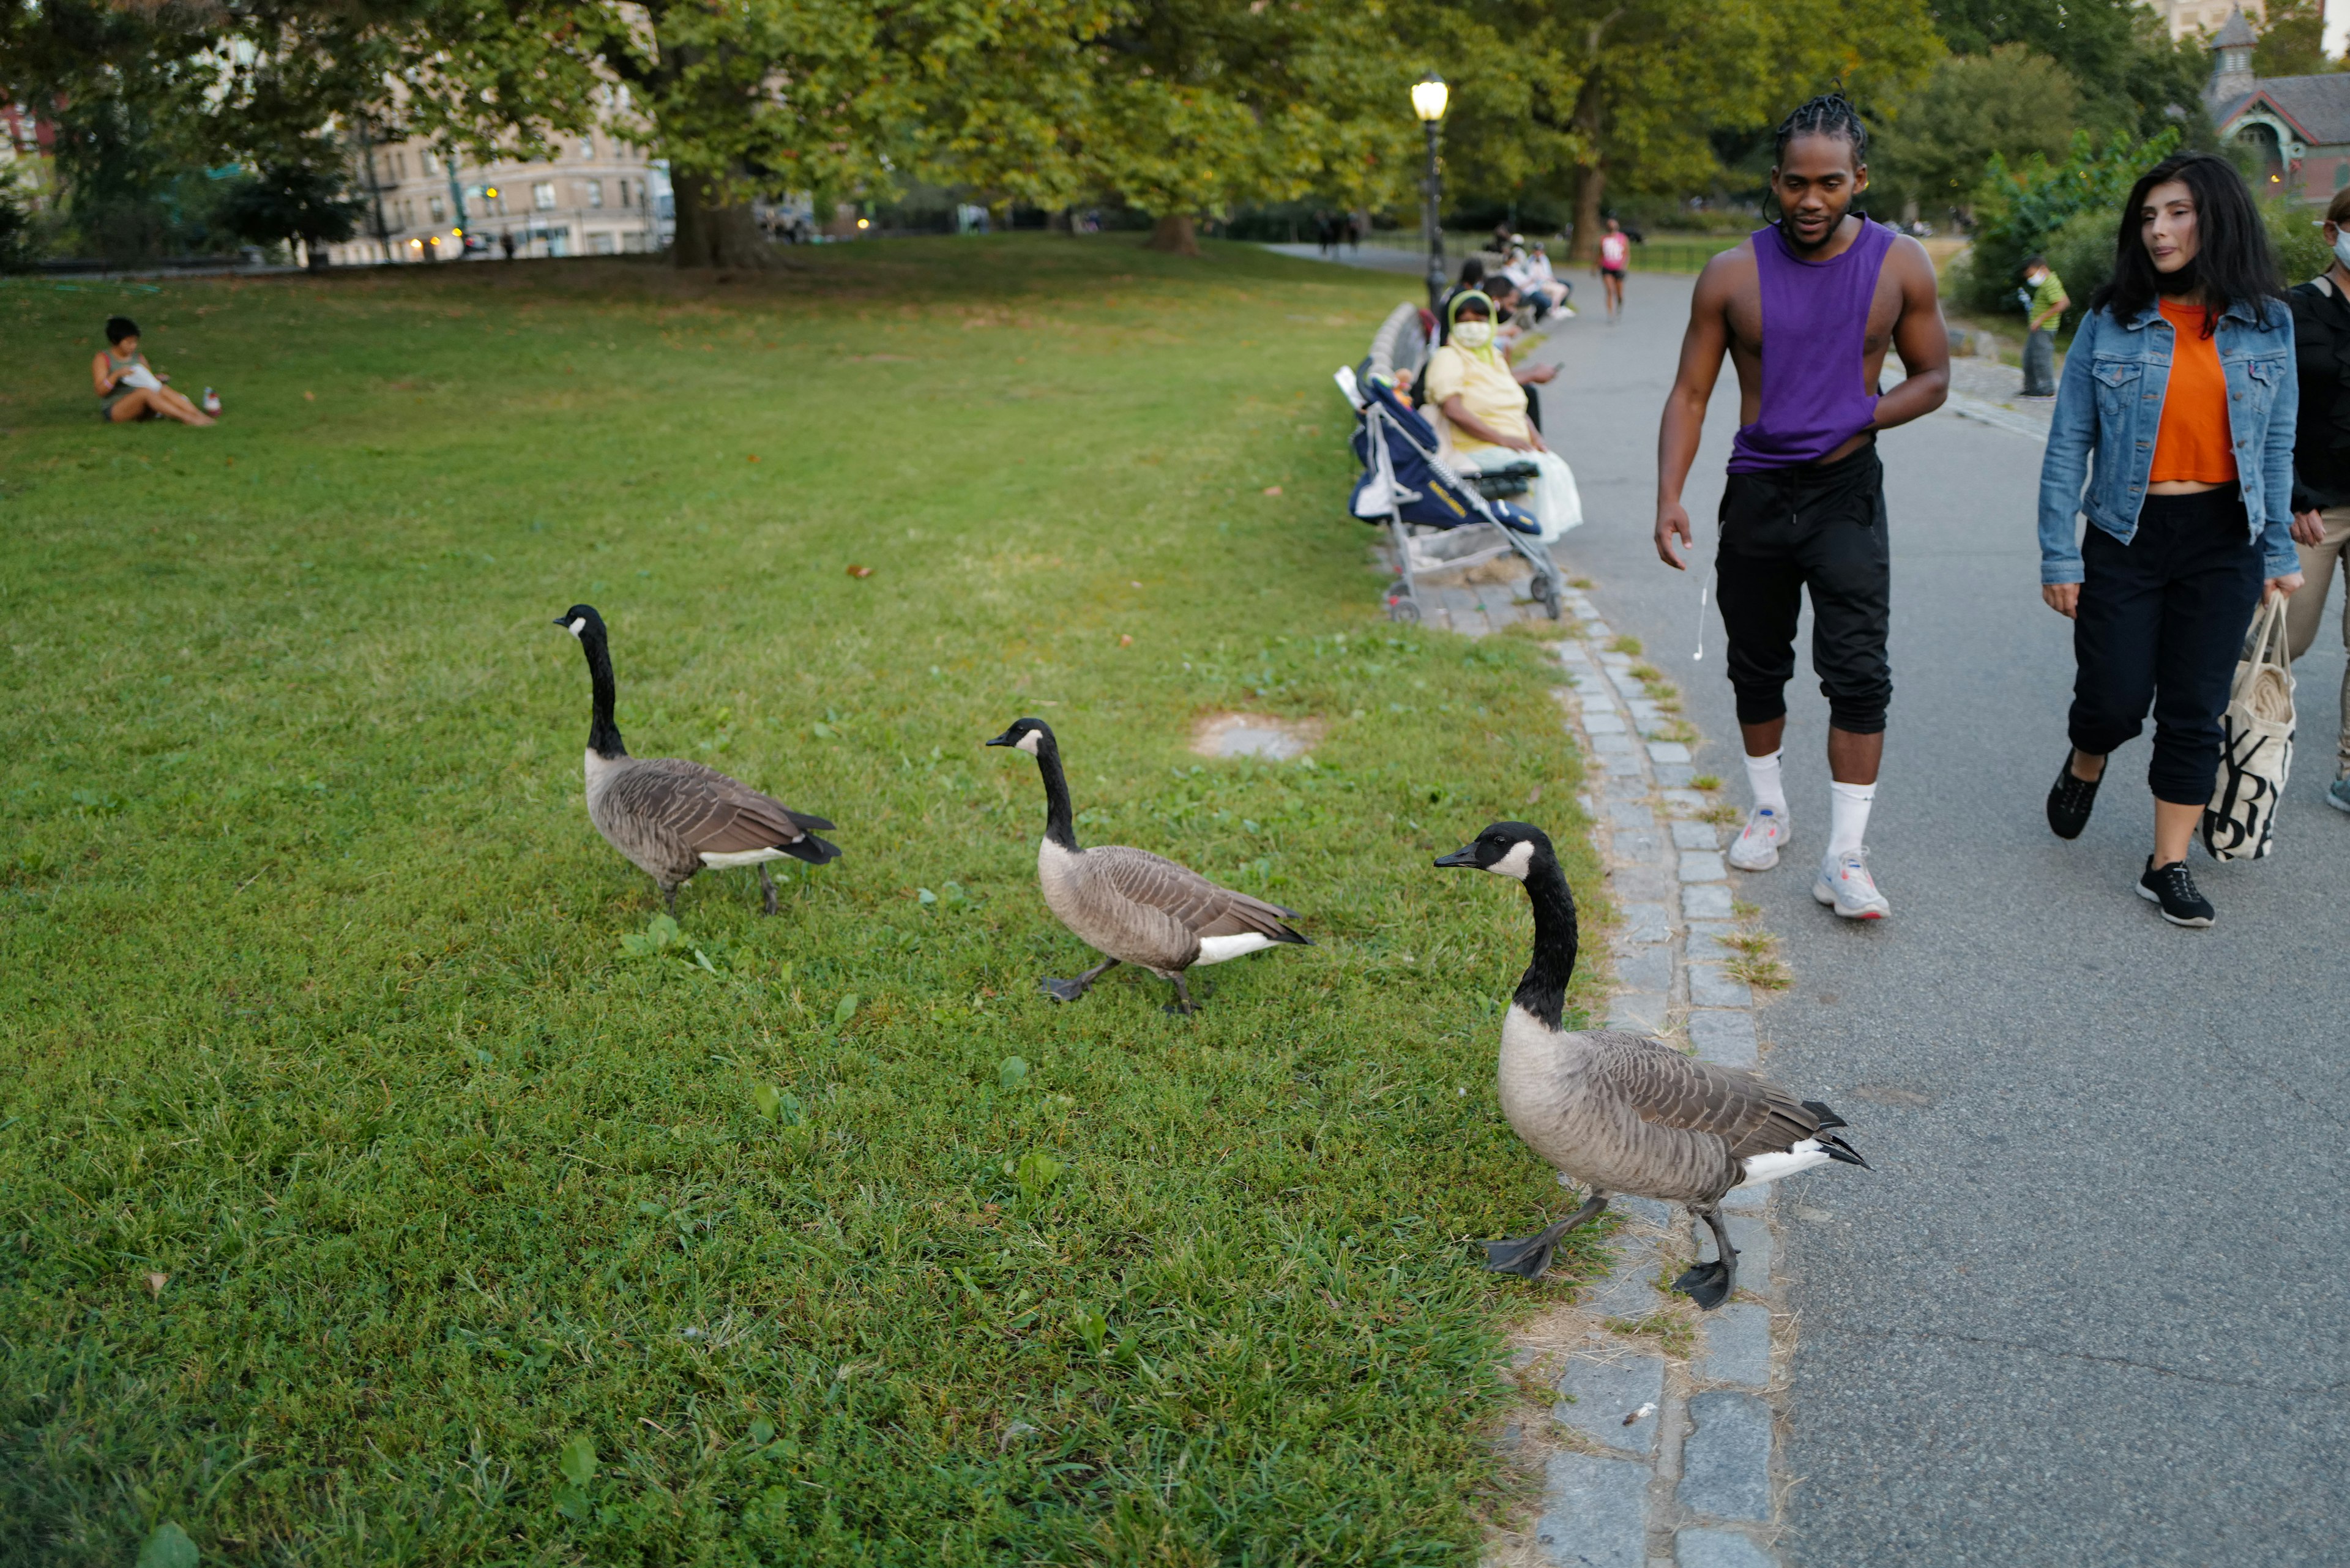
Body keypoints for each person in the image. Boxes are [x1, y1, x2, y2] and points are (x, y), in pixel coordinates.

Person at [1654, 92, 1950, 920]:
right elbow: (1690, 392)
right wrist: (1669, 495)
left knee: (1859, 670)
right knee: (1759, 660)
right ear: (1775, 182)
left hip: (1846, 492)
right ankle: (1770, 808)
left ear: (1859, 178)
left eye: (1828, 182)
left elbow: (1934, 378)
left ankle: (1845, 857)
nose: (1810, 200)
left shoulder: (1901, 265)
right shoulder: (1731, 273)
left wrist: (1864, 410)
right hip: (1755, 491)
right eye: (1794, 183)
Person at [2038, 151, 2303, 927]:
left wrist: (2279, 555)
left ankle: (2168, 864)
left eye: (2177, 213)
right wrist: (2060, 552)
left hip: (2226, 536)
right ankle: (2089, 757)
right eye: (2149, 216)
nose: (2159, 230)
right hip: (2127, 531)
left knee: (2192, 708)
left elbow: (2278, 445)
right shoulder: (2109, 320)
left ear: (2216, 217)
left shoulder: (2268, 321)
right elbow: (2066, 446)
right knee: (2115, 698)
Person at [2283, 189, 2350, 815]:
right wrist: (2293, 492)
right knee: (2284, 638)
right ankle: (2242, 738)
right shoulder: (2295, 309)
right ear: (2333, 234)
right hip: (2314, 508)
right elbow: (2270, 410)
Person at [1425, 289, 1583, 543]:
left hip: (1507, 441)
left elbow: (1514, 403)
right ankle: (1530, 543)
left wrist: (1536, 438)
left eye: (1479, 320)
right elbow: (1453, 410)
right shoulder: (1448, 358)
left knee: (1554, 465)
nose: (1472, 328)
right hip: (1474, 447)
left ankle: (1533, 539)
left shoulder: (1494, 357)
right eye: (1464, 322)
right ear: (1453, 325)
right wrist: (1503, 439)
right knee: (1539, 471)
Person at [92, 317, 214, 427]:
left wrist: (157, 379)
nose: (133, 346)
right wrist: (116, 375)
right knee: (145, 393)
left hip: (144, 405)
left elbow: (150, 383)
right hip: (116, 408)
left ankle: (197, 414)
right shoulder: (103, 358)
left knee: (161, 389)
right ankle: (187, 418)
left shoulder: (138, 358)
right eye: (128, 342)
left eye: (135, 342)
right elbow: (101, 391)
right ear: (115, 341)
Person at [2021, 255, 2068, 397]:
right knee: (2029, 358)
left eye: (2032, 274)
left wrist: (2039, 320)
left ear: (2042, 269)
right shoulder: (2047, 283)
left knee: (2041, 359)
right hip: (2038, 328)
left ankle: (2046, 389)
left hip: (2045, 328)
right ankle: (2032, 388)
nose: (2031, 278)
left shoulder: (2051, 283)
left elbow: (2061, 304)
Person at [1597, 218, 1632, 320]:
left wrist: (1624, 266)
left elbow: (1627, 254)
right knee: (1610, 291)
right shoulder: (1603, 239)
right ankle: (1610, 314)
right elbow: (1600, 254)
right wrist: (1596, 267)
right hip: (1607, 268)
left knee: (1619, 293)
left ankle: (1619, 306)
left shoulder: (1622, 238)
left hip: (1619, 269)